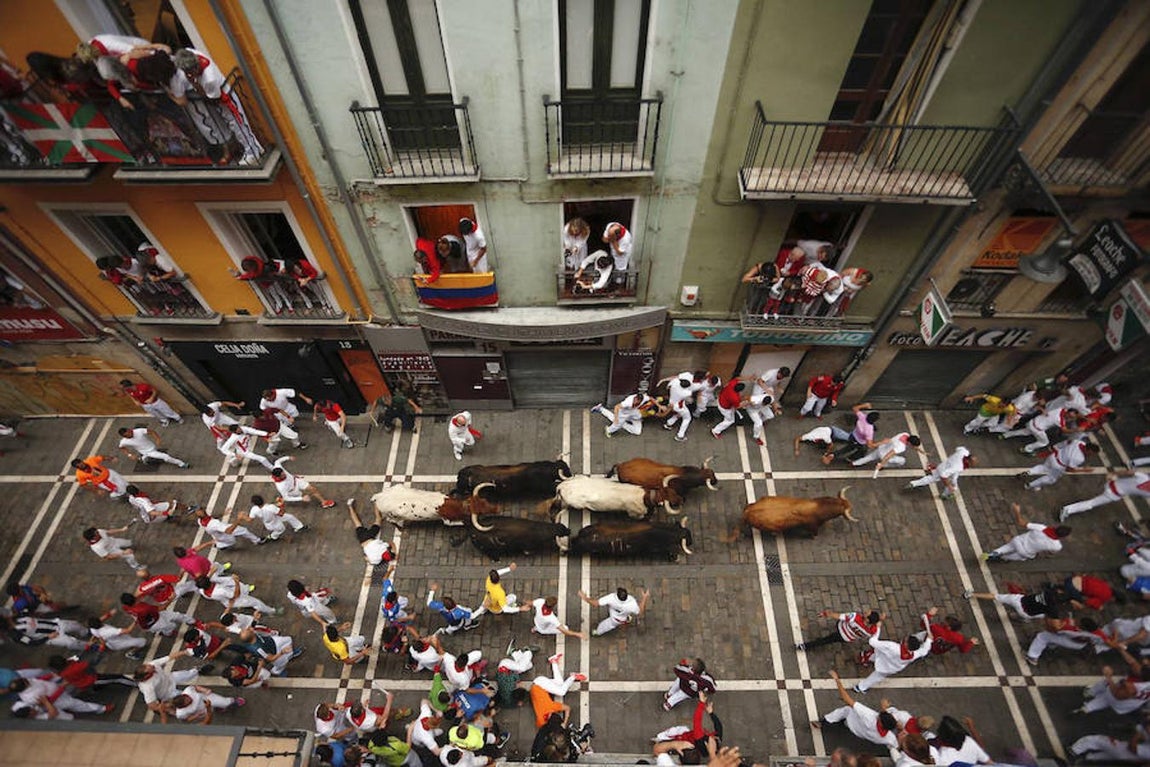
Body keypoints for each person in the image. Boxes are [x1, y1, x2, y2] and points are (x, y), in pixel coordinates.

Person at [811, 670, 901, 750]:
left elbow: (846, 699)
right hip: (864, 734)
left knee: (847, 709)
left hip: (855, 725)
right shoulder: (889, 738)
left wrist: (837, 680)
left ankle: (823, 723)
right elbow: (896, 745)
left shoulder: (869, 716)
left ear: (881, 723)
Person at [853, 609, 935, 693]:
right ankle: (860, 687)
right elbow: (924, 650)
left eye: (906, 640)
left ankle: (862, 658)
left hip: (884, 656)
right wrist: (929, 640)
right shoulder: (914, 654)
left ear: (907, 644)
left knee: (875, 652)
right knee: (876, 677)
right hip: (890, 668)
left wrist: (878, 628)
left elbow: (872, 642)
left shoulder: (892, 647)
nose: (905, 638)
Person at [982, 503, 1070, 562]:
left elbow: (1021, 522)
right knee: (1011, 557)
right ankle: (1002, 558)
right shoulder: (1057, 546)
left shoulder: (1042, 528)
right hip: (1026, 552)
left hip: (1018, 541)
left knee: (1006, 547)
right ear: (1062, 537)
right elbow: (1050, 553)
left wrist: (1017, 511)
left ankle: (994, 553)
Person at [522, 653, 587, 729]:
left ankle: (573, 676)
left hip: (540, 684)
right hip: (537, 685)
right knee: (559, 683)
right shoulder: (541, 719)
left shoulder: (552, 707)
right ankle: (553, 662)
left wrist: (564, 723)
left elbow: (567, 708)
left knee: (561, 692)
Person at [1060, 467, 1150, 522]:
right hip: (1113, 494)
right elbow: (1139, 496)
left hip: (1111, 484)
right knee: (1090, 504)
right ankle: (1067, 510)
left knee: (1092, 498)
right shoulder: (1148, 492)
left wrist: (1113, 473)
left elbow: (1129, 472)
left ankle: (1068, 509)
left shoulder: (1144, 478)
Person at [134, 652, 201, 722]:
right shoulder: (147, 687)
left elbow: (169, 657)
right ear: (146, 676)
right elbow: (152, 705)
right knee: (187, 697)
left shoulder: (151, 664)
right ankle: (183, 715)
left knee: (187, 674)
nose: (153, 667)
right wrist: (165, 707)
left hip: (170, 678)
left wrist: (184, 652)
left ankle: (198, 671)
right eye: (152, 669)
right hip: (167, 693)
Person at [1069, 710, 1150, 763]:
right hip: (1129, 760)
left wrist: (1136, 736)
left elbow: (1133, 748)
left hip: (1124, 751)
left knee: (1095, 740)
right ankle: (1086, 758)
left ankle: (1073, 751)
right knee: (1103, 756)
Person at [1022, 437, 1097, 492]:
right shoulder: (1080, 458)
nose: (1092, 455)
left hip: (1053, 456)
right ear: (1089, 450)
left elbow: (1068, 442)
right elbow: (1069, 469)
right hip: (1058, 466)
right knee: (1051, 479)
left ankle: (1029, 472)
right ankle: (1029, 485)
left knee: (1043, 467)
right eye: (1092, 453)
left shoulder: (1079, 442)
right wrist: (1084, 470)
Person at [963, 583, 1062, 621]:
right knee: (1041, 615)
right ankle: (1019, 618)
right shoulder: (1053, 609)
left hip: (1018, 601)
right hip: (1026, 614)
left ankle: (971, 595)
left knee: (995, 596)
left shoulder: (1049, 592)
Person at [796, 609, 883, 652]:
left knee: (824, 640)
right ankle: (805, 646)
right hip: (846, 638)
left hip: (841, 628)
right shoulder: (872, 630)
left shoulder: (855, 617)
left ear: (867, 619)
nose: (866, 611)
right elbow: (876, 629)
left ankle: (805, 646)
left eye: (867, 613)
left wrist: (827, 613)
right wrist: (879, 621)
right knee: (828, 640)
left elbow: (839, 616)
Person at [578, 586, 649, 636]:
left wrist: (585, 598)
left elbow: (596, 603)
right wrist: (644, 598)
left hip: (615, 618)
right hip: (622, 616)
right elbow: (640, 611)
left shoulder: (611, 598)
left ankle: (597, 632)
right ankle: (626, 620)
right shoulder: (632, 604)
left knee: (605, 626)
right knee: (625, 618)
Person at [907, 447, 974, 500]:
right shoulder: (958, 467)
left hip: (942, 466)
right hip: (945, 472)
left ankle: (913, 483)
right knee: (952, 485)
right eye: (972, 463)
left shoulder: (963, 451)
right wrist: (948, 485)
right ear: (968, 460)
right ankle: (944, 495)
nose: (973, 464)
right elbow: (944, 475)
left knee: (932, 478)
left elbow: (958, 448)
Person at [347, 497, 397, 567]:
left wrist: (394, 551)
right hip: (363, 540)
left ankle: (375, 502)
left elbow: (392, 543)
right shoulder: (376, 561)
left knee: (378, 519)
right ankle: (350, 506)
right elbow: (366, 558)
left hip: (370, 536)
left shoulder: (384, 548)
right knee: (357, 522)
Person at [195, 573, 278, 614]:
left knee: (242, 590)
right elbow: (236, 595)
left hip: (226, 600)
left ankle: (245, 603)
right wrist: (236, 581)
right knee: (256, 602)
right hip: (234, 599)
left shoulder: (203, 591)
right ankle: (271, 611)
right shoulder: (220, 590)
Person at [851, 433, 924, 479]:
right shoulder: (901, 447)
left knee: (869, 457)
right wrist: (881, 464)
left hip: (881, 449)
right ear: (910, 443)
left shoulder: (904, 434)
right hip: (884, 455)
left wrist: (921, 451)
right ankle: (884, 466)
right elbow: (888, 455)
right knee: (902, 461)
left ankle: (854, 463)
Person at [271, 457, 336, 507]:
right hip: (292, 490)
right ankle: (281, 497)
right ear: (278, 477)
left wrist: (288, 457)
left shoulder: (278, 467)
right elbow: (286, 498)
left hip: (296, 481)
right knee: (298, 495)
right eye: (282, 475)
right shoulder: (281, 486)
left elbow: (277, 461)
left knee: (312, 489)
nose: (284, 474)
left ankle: (324, 502)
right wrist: (301, 498)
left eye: (283, 473)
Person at [164, 684, 245, 724]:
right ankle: (217, 708)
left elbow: (195, 687)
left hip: (207, 698)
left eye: (187, 697)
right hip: (202, 711)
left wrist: (204, 690)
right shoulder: (181, 713)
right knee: (211, 711)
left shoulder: (188, 691)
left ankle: (233, 701)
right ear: (184, 706)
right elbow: (187, 719)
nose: (190, 698)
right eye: (188, 701)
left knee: (225, 702)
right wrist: (196, 716)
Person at [660, 372, 705, 442]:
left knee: (680, 414)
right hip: (679, 406)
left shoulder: (675, 382)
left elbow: (669, 386)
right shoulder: (686, 393)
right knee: (687, 418)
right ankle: (680, 435)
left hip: (671, 401)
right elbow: (690, 398)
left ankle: (669, 423)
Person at [117, 425, 189, 468]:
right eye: (127, 435)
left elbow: (151, 432)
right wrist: (129, 455)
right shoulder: (124, 441)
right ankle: (181, 464)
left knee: (148, 458)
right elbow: (121, 448)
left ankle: (143, 459)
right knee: (166, 457)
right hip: (148, 452)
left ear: (130, 430)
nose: (129, 435)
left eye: (129, 433)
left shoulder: (139, 431)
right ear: (124, 436)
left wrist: (157, 438)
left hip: (152, 446)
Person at [592, 391, 656, 438]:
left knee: (637, 431)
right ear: (635, 398)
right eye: (636, 401)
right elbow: (617, 407)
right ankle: (608, 430)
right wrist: (617, 418)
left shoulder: (644, 398)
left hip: (633, 411)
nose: (637, 402)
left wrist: (660, 406)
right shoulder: (628, 402)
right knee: (617, 424)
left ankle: (622, 423)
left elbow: (651, 398)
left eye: (639, 402)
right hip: (623, 413)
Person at [243, 494, 308, 541]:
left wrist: (243, 516)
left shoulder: (254, 509)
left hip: (271, 521)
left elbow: (249, 520)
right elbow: (281, 513)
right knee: (281, 529)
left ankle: (299, 527)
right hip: (274, 523)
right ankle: (272, 537)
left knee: (290, 517)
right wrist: (282, 505)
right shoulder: (271, 507)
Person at [194, 507, 264, 549]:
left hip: (221, 531)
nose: (202, 509)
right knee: (232, 542)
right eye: (201, 510)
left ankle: (257, 540)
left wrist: (223, 513)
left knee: (243, 530)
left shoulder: (200, 520)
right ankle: (219, 545)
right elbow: (229, 531)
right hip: (224, 535)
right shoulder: (214, 524)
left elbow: (211, 517)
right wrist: (239, 519)